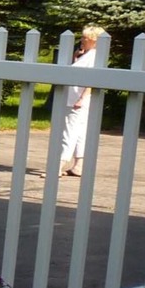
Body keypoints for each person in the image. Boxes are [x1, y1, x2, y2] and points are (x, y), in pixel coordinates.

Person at [58, 25, 102, 177]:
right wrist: (76, 58)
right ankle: (78, 166)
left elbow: (92, 80)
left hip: (77, 99)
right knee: (80, 132)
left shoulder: (93, 56)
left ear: (94, 40)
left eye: (85, 38)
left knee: (69, 131)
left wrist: (82, 98)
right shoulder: (87, 55)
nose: (82, 40)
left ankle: (59, 165)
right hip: (77, 98)